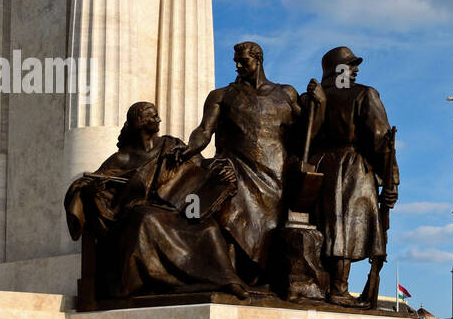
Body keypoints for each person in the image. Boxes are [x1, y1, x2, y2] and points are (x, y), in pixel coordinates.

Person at [66, 101, 246, 300]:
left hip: (176, 210)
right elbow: (87, 183)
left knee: (210, 228)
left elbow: (201, 165)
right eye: (152, 116)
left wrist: (220, 170)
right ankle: (166, 283)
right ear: (140, 122)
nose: (158, 119)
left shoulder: (172, 145)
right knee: (145, 218)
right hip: (142, 213)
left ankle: (228, 281)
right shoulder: (122, 159)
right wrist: (93, 190)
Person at [174, 42, 304, 290]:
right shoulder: (221, 95)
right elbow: (204, 130)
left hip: (275, 172)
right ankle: (229, 275)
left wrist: (316, 107)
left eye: (243, 61)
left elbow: (306, 131)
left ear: (258, 59)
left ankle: (259, 278)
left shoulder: (286, 94)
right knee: (230, 214)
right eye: (235, 61)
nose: (237, 65)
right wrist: (190, 148)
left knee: (269, 230)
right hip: (236, 168)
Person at [306, 46, 398, 306]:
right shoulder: (364, 94)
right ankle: (338, 288)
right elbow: (381, 141)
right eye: (350, 65)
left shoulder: (313, 98)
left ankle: (327, 285)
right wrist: (391, 182)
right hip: (352, 169)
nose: (356, 70)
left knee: (328, 227)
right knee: (345, 228)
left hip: (320, 168)